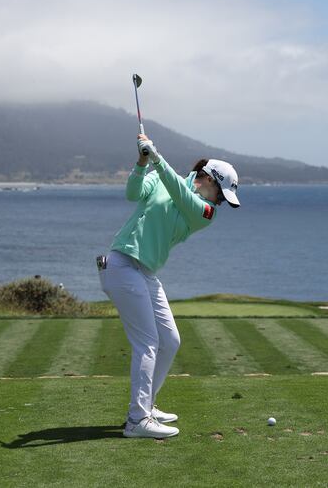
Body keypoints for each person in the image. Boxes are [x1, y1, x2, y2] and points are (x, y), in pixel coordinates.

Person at [98, 133, 240, 439]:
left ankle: (146, 404)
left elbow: (180, 193)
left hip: (145, 272)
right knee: (148, 343)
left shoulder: (205, 213)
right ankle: (137, 420)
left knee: (170, 341)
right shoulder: (162, 176)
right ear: (208, 179)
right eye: (221, 194)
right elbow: (133, 193)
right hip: (121, 265)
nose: (220, 203)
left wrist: (158, 159)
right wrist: (142, 161)